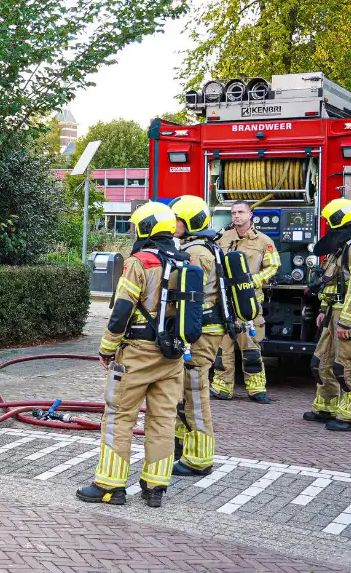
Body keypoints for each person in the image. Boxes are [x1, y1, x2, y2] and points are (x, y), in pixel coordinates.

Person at [77, 202, 187, 508]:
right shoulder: (183, 261)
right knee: (163, 420)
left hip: (137, 354)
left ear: (146, 228)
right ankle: (155, 488)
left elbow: (121, 310)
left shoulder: (140, 262)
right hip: (173, 357)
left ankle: (110, 486)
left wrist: (107, 349)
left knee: (118, 417)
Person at [304, 198, 351, 432]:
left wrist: (347, 319)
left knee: (348, 365)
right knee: (321, 362)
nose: (327, 225)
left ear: (338, 219)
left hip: (349, 315)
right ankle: (326, 406)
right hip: (334, 312)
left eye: (328, 220)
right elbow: (331, 283)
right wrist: (324, 310)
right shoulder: (341, 247)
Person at [168, 195, 223, 477]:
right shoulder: (196, 248)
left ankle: (199, 459)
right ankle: (183, 448)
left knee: (195, 396)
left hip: (200, 335)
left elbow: (191, 298)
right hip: (199, 332)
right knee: (184, 393)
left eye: (176, 218)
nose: (171, 223)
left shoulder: (197, 253)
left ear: (188, 222)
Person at [212, 200, 279, 403]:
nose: (236, 216)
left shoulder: (263, 241)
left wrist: (254, 281)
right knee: (223, 348)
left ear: (250, 215)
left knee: (251, 347)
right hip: (225, 302)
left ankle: (257, 389)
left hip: (249, 303)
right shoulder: (222, 238)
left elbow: (273, 265)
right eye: (233, 212)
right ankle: (221, 388)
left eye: (240, 212)